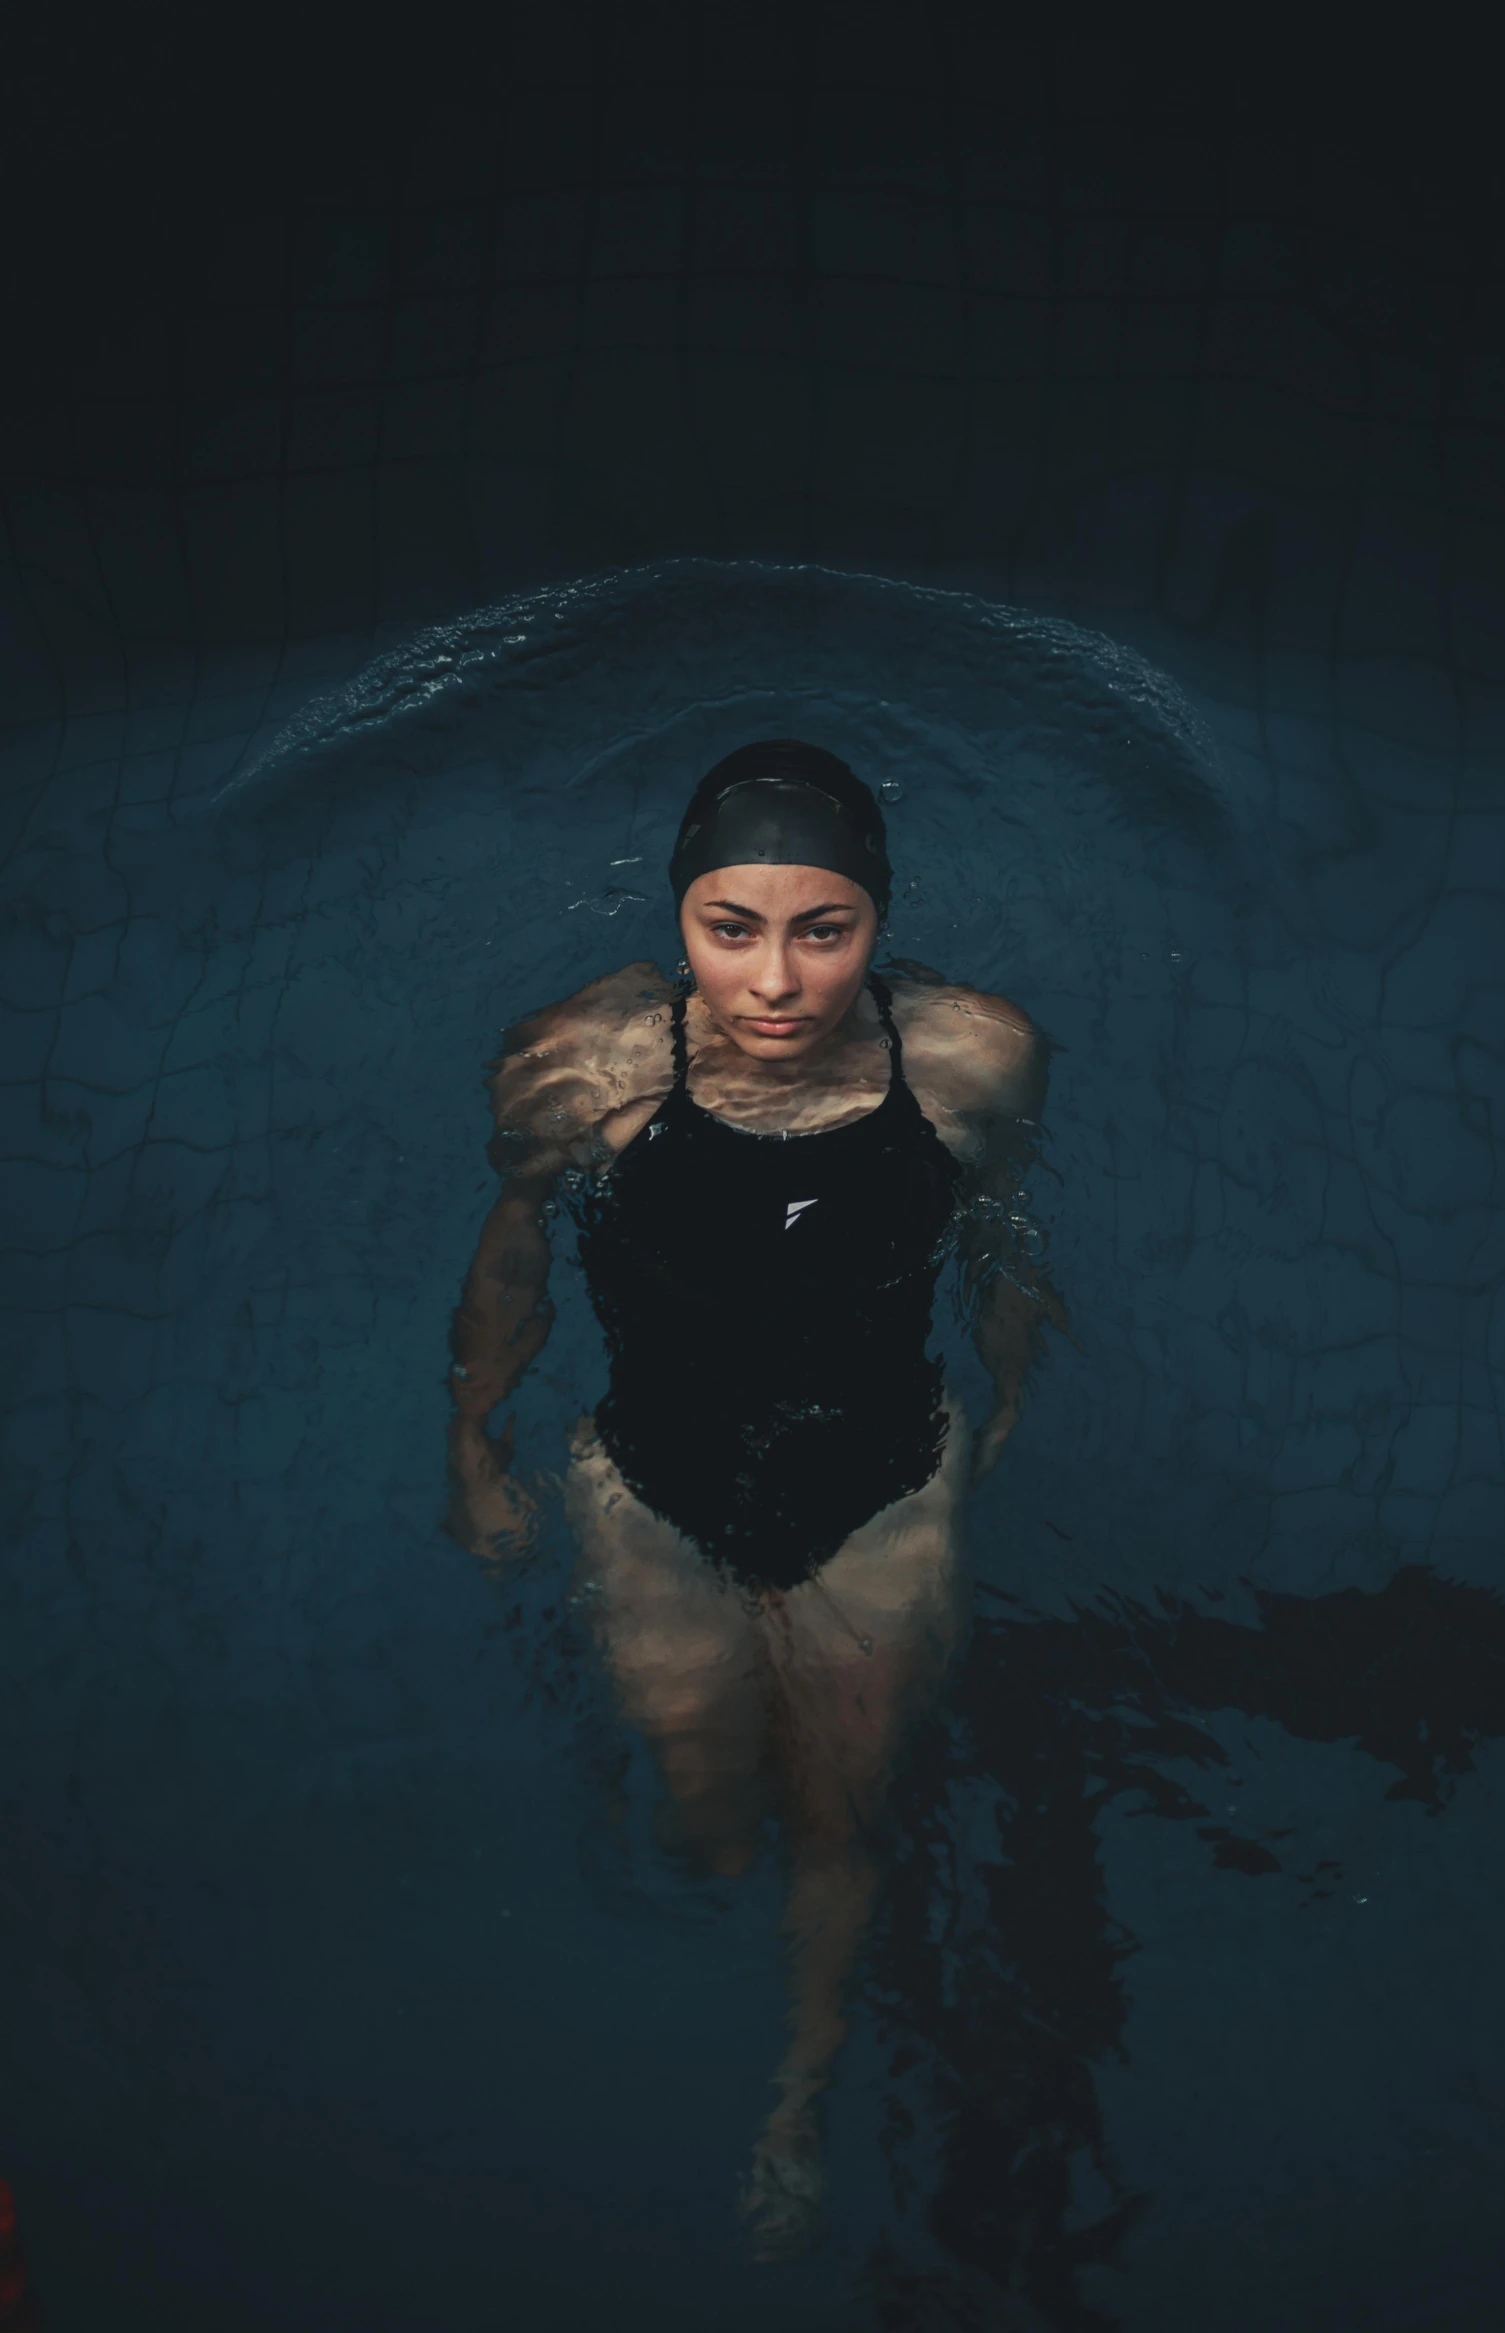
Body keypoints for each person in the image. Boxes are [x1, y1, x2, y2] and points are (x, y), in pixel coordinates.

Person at [446, 740, 1065, 2256]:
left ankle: (796, 2091)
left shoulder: (969, 1058)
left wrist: (1011, 1390)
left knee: (840, 1820)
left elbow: (1001, 1227)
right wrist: (472, 1440)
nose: (777, 982)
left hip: (885, 1493)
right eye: (732, 930)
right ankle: (712, 1906)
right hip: (652, 1495)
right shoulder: (582, 1065)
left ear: (879, 921)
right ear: (679, 923)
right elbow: (512, 1247)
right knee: (710, 1824)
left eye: (822, 929)